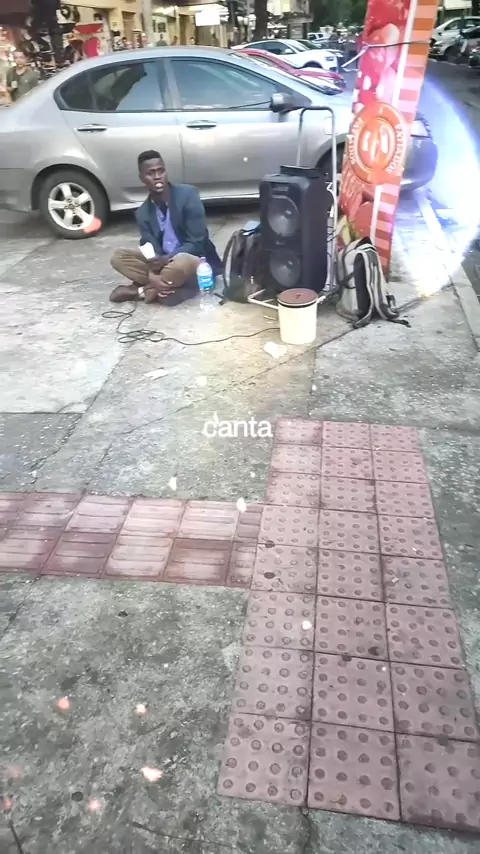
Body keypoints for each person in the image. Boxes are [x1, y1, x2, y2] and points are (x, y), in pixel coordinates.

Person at [110, 150, 222, 306]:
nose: (157, 177)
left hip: (193, 261)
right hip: (165, 266)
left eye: (160, 171)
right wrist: (152, 274)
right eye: (150, 173)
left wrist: (167, 259)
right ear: (142, 179)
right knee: (119, 257)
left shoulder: (188, 195)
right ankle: (163, 285)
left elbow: (197, 242)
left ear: (165, 172)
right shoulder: (143, 213)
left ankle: (142, 291)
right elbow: (150, 250)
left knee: (181, 261)